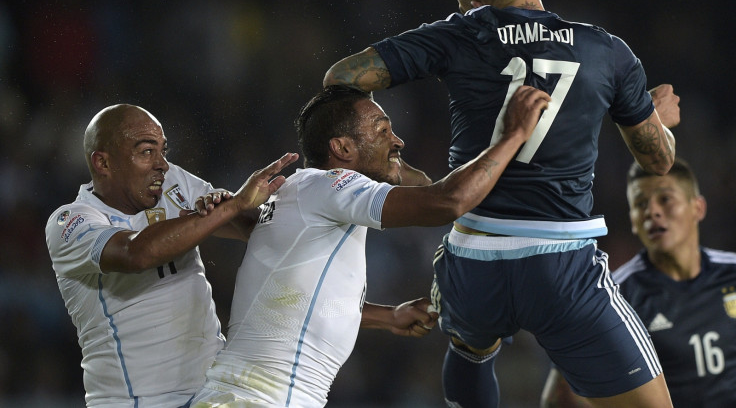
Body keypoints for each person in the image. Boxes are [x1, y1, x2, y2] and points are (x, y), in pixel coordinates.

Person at [323, 0, 678, 407]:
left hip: (473, 258)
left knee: (471, 344)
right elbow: (659, 161)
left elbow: (341, 78)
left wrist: (387, 158)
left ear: (473, 4)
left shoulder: (459, 34)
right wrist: (658, 122)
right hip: (562, 265)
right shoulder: (605, 49)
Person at [190, 83, 551, 407]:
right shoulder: (332, 185)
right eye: (382, 131)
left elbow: (299, 304)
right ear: (343, 148)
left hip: (247, 396)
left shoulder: (305, 197)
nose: (398, 141)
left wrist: (387, 316)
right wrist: (512, 135)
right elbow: (446, 201)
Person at [45, 103, 298, 407]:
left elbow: (255, 231)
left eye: (163, 150)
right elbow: (135, 253)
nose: (162, 164)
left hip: (212, 392)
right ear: (103, 163)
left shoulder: (173, 182)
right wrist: (232, 206)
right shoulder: (69, 223)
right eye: (146, 152)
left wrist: (230, 207)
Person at [541, 157, 736, 407]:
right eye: (640, 204)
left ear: (697, 208)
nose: (652, 211)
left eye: (665, 199)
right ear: (633, 220)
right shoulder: (613, 297)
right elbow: (560, 397)